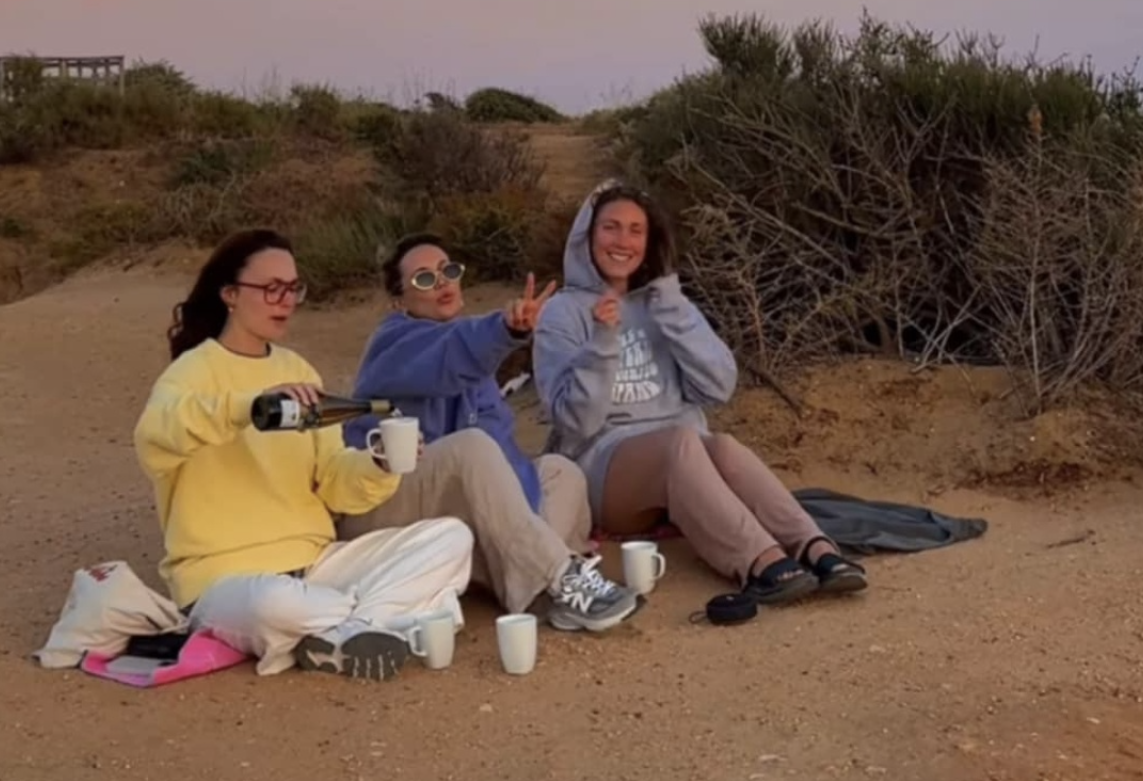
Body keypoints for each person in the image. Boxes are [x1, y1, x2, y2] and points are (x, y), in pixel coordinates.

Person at [132, 228, 475, 681]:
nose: (286, 300)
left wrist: (378, 463)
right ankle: (377, 621)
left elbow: (334, 481)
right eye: (272, 288)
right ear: (230, 294)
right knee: (275, 603)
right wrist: (251, 407)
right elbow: (157, 436)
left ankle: (345, 631)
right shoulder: (192, 373)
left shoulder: (297, 371)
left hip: (315, 563)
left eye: (293, 288)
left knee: (451, 538)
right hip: (225, 578)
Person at [531, 183, 869, 605]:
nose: (623, 241)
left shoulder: (665, 301)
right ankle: (758, 561)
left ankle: (815, 548)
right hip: (605, 469)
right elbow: (573, 421)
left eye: (636, 230)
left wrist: (672, 310)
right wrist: (602, 342)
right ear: (587, 237)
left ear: (650, 240)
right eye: (610, 228)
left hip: (687, 465)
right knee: (682, 442)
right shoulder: (562, 313)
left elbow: (718, 386)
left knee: (723, 446)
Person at [340, 233, 639, 632]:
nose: (443, 283)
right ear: (399, 301)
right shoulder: (393, 343)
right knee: (472, 448)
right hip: (381, 505)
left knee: (558, 470)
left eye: (447, 271)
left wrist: (521, 514)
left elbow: (502, 450)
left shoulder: (470, 359)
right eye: (424, 280)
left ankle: (531, 574)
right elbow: (450, 355)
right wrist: (506, 329)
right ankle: (560, 576)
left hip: (446, 509)